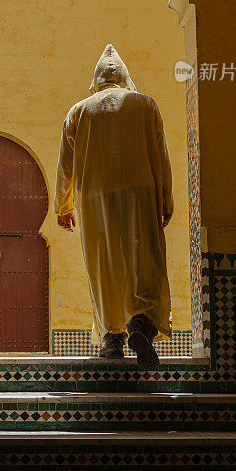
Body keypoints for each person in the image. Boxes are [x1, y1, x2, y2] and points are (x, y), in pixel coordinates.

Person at [54, 44, 173, 369]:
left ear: (96, 80)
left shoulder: (78, 111)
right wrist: (166, 198)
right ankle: (141, 325)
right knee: (143, 259)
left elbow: (67, 165)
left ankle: (112, 339)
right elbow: (161, 156)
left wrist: (62, 205)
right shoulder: (145, 105)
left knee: (104, 265)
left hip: (95, 197)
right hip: (140, 191)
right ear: (124, 77)